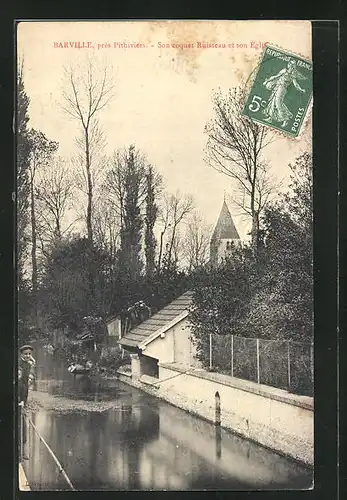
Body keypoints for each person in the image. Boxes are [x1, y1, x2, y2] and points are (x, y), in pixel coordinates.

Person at [262, 59, 306, 128]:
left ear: (294, 66)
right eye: (290, 63)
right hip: (277, 87)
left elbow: (296, 84)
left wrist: (301, 90)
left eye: (293, 64)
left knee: (278, 103)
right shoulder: (284, 70)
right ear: (288, 64)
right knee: (272, 102)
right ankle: (270, 118)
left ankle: (285, 119)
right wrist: (267, 81)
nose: (291, 65)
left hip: (282, 89)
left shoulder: (293, 74)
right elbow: (275, 76)